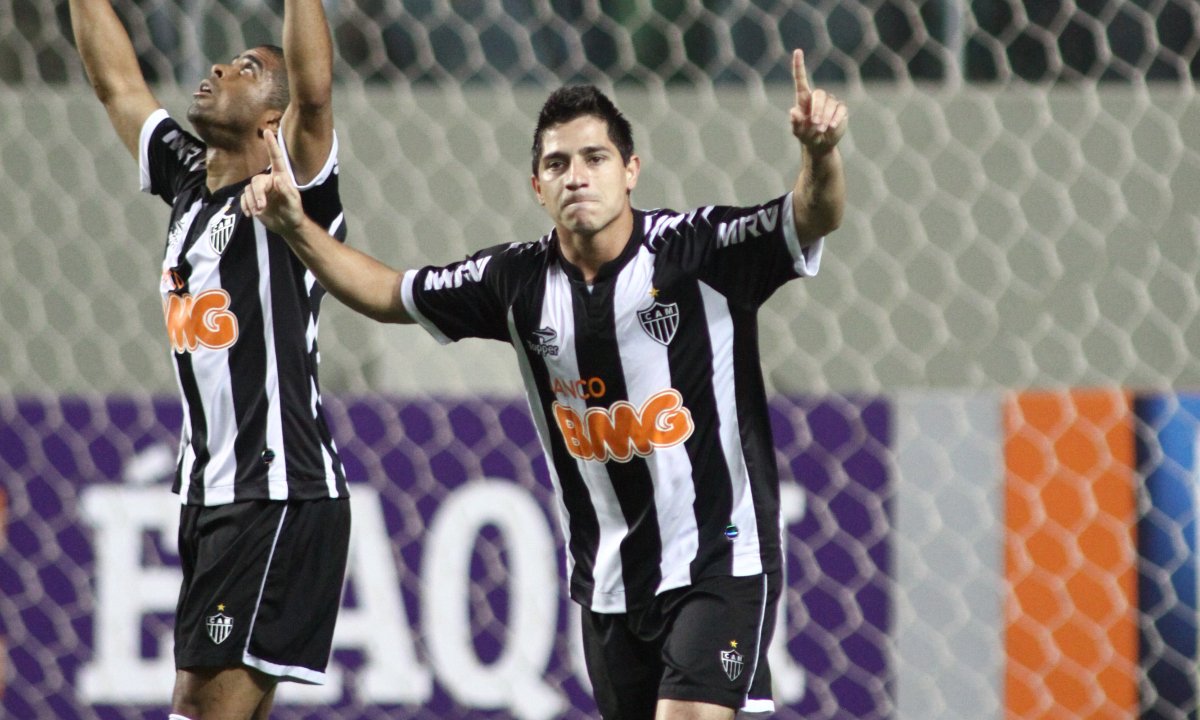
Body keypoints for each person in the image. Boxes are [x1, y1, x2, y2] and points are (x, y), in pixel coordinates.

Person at [243, 49, 846, 720]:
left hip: (719, 562)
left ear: (631, 171)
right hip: (610, 587)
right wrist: (296, 227)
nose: (577, 177)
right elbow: (387, 291)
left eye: (595, 159)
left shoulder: (699, 251)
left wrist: (820, 154)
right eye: (557, 164)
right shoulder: (516, 283)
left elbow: (810, 216)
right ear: (536, 186)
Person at [67, 0, 352, 717]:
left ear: (269, 122)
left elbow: (314, 97)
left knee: (197, 704)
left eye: (248, 69)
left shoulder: (293, 195)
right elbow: (117, 86)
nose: (219, 67)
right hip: (211, 497)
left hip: (277, 490)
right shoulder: (191, 182)